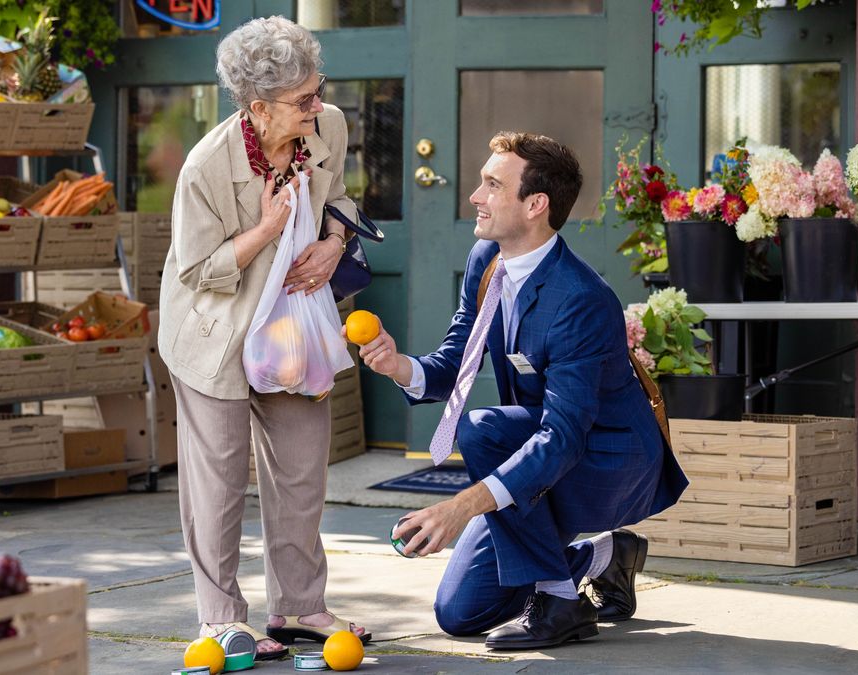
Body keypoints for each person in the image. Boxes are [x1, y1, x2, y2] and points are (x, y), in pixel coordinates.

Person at [354, 132, 688, 649]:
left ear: (535, 205)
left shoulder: (580, 298)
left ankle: (560, 603)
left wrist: (461, 506)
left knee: (483, 429)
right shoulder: (486, 260)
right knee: (460, 614)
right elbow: (457, 361)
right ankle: (604, 557)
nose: (475, 197)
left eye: (492, 184)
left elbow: (562, 439)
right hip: (542, 455)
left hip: (605, 462)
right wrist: (400, 366)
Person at [157, 16, 369, 660]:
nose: (319, 105)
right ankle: (219, 617)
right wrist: (269, 228)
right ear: (258, 107)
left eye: (318, 89)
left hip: (291, 326)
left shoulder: (326, 126)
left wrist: (334, 244)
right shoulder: (206, 166)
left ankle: (299, 606)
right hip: (214, 333)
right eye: (303, 99)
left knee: (303, 470)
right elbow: (198, 270)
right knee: (218, 480)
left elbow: (343, 203)